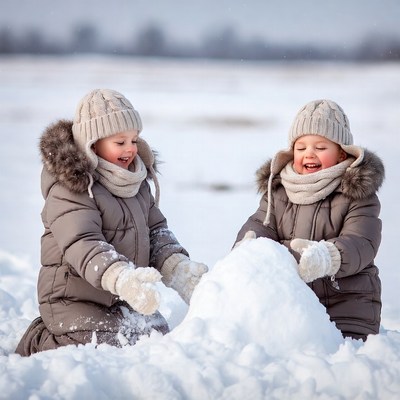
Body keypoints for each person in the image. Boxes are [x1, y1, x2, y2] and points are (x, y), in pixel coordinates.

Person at [16, 89, 208, 356]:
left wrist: (178, 268)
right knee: (105, 341)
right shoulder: (71, 188)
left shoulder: (136, 182)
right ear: (93, 144)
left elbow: (156, 232)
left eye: (134, 139)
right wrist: (121, 277)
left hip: (120, 301)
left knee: (153, 334)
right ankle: (39, 341)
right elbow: (83, 242)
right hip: (73, 299)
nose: (130, 148)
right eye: (120, 142)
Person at [234, 99, 384, 341]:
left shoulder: (357, 193)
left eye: (320, 147)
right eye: (301, 147)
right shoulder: (280, 191)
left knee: (340, 358)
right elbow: (261, 225)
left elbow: (362, 241)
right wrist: (249, 247)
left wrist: (328, 257)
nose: (309, 154)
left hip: (345, 302)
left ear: (341, 153)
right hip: (292, 302)